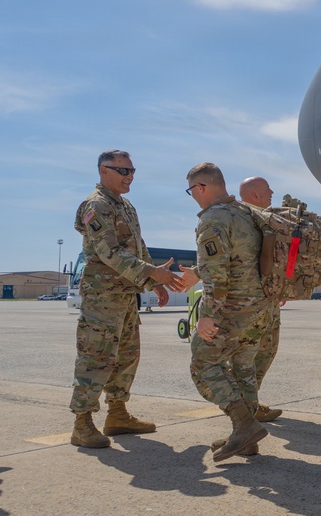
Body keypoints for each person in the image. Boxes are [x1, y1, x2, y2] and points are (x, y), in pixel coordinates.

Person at [70, 150, 182, 449]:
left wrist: (151, 282)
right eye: (123, 170)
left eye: (132, 170)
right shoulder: (96, 205)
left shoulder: (127, 206)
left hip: (126, 294)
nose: (129, 176)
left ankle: (117, 415)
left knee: (127, 356)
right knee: (96, 358)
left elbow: (137, 247)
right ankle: (82, 424)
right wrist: (151, 274)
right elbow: (109, 252)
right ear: (103, 171)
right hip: (102, 297)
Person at [185, 162, 271, 461]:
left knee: (203, 365)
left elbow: (215, 273)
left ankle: (244, 426)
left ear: (201, 188)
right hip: (259, 309)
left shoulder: (213, 219)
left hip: (232, 310)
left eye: (191, 191)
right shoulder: (247, 212)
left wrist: (206, 315)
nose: (193, 196)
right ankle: (246, 439)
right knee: (244, 368)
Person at [238, 176, 283, 423]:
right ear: (255, 195)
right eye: (267, 189)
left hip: (269, 298)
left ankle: (250, 402)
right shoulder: (240, 221)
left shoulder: (266, 220)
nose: (272, 191)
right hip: (247, 303)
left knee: (267, 351)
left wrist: (280, 287)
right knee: (246, 356)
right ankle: (244, 408)